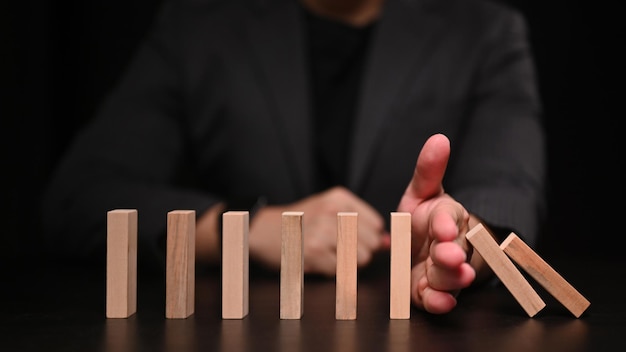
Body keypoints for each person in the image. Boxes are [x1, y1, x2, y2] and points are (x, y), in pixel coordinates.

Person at [41, 0, 546, 314]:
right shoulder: (197, 23)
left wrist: (456, 240)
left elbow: (506, 194)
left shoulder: (485, 29)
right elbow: (79, 197)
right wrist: (245, 226)